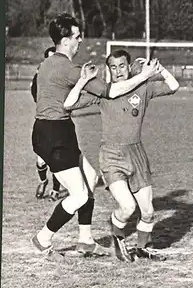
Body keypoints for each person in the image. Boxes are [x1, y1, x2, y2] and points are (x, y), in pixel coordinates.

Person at [31, 13, 160, 260]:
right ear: (66, 40)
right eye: (77, 37)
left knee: (90, 179)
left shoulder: (47, 63)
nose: (80, 41)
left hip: (58, 131)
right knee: (79, 194)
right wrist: (143, 76)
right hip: (53, 134)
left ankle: (86, 240)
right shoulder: (69, 69)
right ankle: (43, 238)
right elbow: (110, 92)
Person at [64, 49, 180, 262]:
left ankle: (143, 248)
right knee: (127, 207)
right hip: (112, 155)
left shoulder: (143, 88)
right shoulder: (103, 93)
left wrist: (158, 68)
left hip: (136, 153)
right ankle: (117, 237)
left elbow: (174, 86)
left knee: (148, 211)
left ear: (129, 67)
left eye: (122, 66)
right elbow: (69, 104)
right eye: (113, 67)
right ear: (109, 70)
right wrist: (82, 81)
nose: (118, 71)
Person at [31, 46, 67, 201]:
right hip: (44, 122)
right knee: (41, 160)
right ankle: (43, 181)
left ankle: (55, 190)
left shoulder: (64, 78)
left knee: (57, 158)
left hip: (60, 123)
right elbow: (35, 95)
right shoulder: (39, 77)